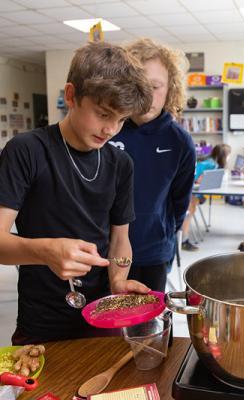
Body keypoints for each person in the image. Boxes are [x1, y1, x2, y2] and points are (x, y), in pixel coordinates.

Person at [0, 42, 152, 344]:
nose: (110, 129)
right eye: (103, 113)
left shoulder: (120, 163)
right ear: (71, 95)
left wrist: (119, 280)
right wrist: (45, 251)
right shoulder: (27, 150)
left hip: (100, 315)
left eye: (121, 120)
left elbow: (120, 239)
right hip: (41, 318)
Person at [110, 38, 196, 290]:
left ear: (171, 89)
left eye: (156, 86)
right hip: (104, 251)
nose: (148, 95)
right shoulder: (107, 130)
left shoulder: (180, 142)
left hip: (153, 251)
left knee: (150, 325)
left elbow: (180, 203)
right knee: (108, 324)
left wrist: (164, 232)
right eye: (140, 86)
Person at [180, 144, 229, 251]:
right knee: (190, 209)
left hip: (191, 189)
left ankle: (184, 237)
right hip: (189, 189)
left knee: (192, 207)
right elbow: (198, 179)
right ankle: (184, 240)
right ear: (223, 156)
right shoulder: (212, 164)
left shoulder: (211, 161)